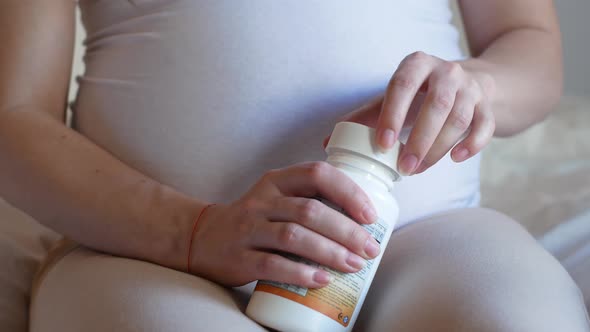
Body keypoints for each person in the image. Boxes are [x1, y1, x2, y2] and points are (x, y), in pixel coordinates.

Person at [1, 0, 588, 331]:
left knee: (522, 320)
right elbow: (14, 118)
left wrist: (480, 86)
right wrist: (191, 232)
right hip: (141, 251)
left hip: (419, 237)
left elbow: (526, 39)